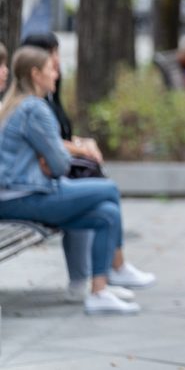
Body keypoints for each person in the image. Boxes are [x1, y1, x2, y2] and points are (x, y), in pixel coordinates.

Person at [0, 47, 155, 315]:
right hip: (22, 197)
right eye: (51, 69)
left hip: (22, 194)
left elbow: (53, 159)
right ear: (36, 74)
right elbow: (60, 164)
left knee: (105, 214)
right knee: (109, 189)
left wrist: (47, 157)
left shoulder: (17, 104)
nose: (57, 75)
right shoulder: (34, 108)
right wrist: (51, 157)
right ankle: (112, 274)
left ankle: (99, 290)